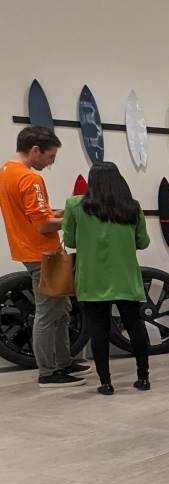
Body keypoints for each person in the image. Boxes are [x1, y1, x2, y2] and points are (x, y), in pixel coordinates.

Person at [0, 126, 87, 387]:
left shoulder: (5, 172)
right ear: (35, 150)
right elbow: (42, 224)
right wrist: (74, 219)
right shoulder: (30, 179)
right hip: (43, 254)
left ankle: (63, 362)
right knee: (48, 312)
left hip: (30, 251)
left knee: (62, 308)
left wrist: (60, 212)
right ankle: (49, 372)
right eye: (50, 157)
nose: (50, 163)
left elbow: (32, 215)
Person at [61, 162, 152, 395]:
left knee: (98, 328)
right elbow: (143, 242)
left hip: (92, 278)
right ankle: (143, 378)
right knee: (135, 326)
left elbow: (69, 241)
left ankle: (106, 383)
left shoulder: (75, 205)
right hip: (126, 277)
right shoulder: (132, 207)